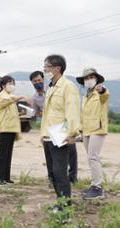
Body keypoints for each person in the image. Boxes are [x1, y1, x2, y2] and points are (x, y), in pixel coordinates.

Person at [40, 54, 80, 202]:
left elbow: (72, 111)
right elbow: (47, 113)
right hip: (49, 133)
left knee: (60, 171)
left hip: (60, 132)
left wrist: (72, 133)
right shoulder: (51, 87)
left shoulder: (68, 86)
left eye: (47, 67)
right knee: (52, 171)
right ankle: (60, 201)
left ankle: (65, 206)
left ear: (57, 68)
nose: (44, 70)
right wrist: (43, 134)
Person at [30, 70, 78, 185]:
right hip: (48, 128)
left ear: (43, 79)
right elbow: (37, 113)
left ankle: (72, 177)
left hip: (62, 125)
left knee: (70, 152)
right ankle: (52, 178)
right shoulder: (35, 97)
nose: (37, 82)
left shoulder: (53, 88)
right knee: (50, 155)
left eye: (39, 80)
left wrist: (72, 130)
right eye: (35, 81)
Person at [76, 67, 109, 199]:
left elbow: (105, 94)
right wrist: (81, 130)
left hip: (98, 129)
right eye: (86, 78)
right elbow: (83, 114)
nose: (89, 80)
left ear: (96, 79)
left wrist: (102, 90)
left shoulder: (100, 92)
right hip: (87, 130)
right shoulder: (85, 96)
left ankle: (97, 187)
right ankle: (94, 184)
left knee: (93, 157)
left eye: (91, 77)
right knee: (91, 158)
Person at [0, 76, 24, 185]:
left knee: (8, 154)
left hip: (11, 129)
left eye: (13, 83)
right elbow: (8, 100)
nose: (12, 85)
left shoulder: (9, 96)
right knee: (2, 154)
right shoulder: (2, 96)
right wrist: (19, 97)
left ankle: (5, 177)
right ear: (3, 85)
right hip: (4, 129)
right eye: (9, 83)